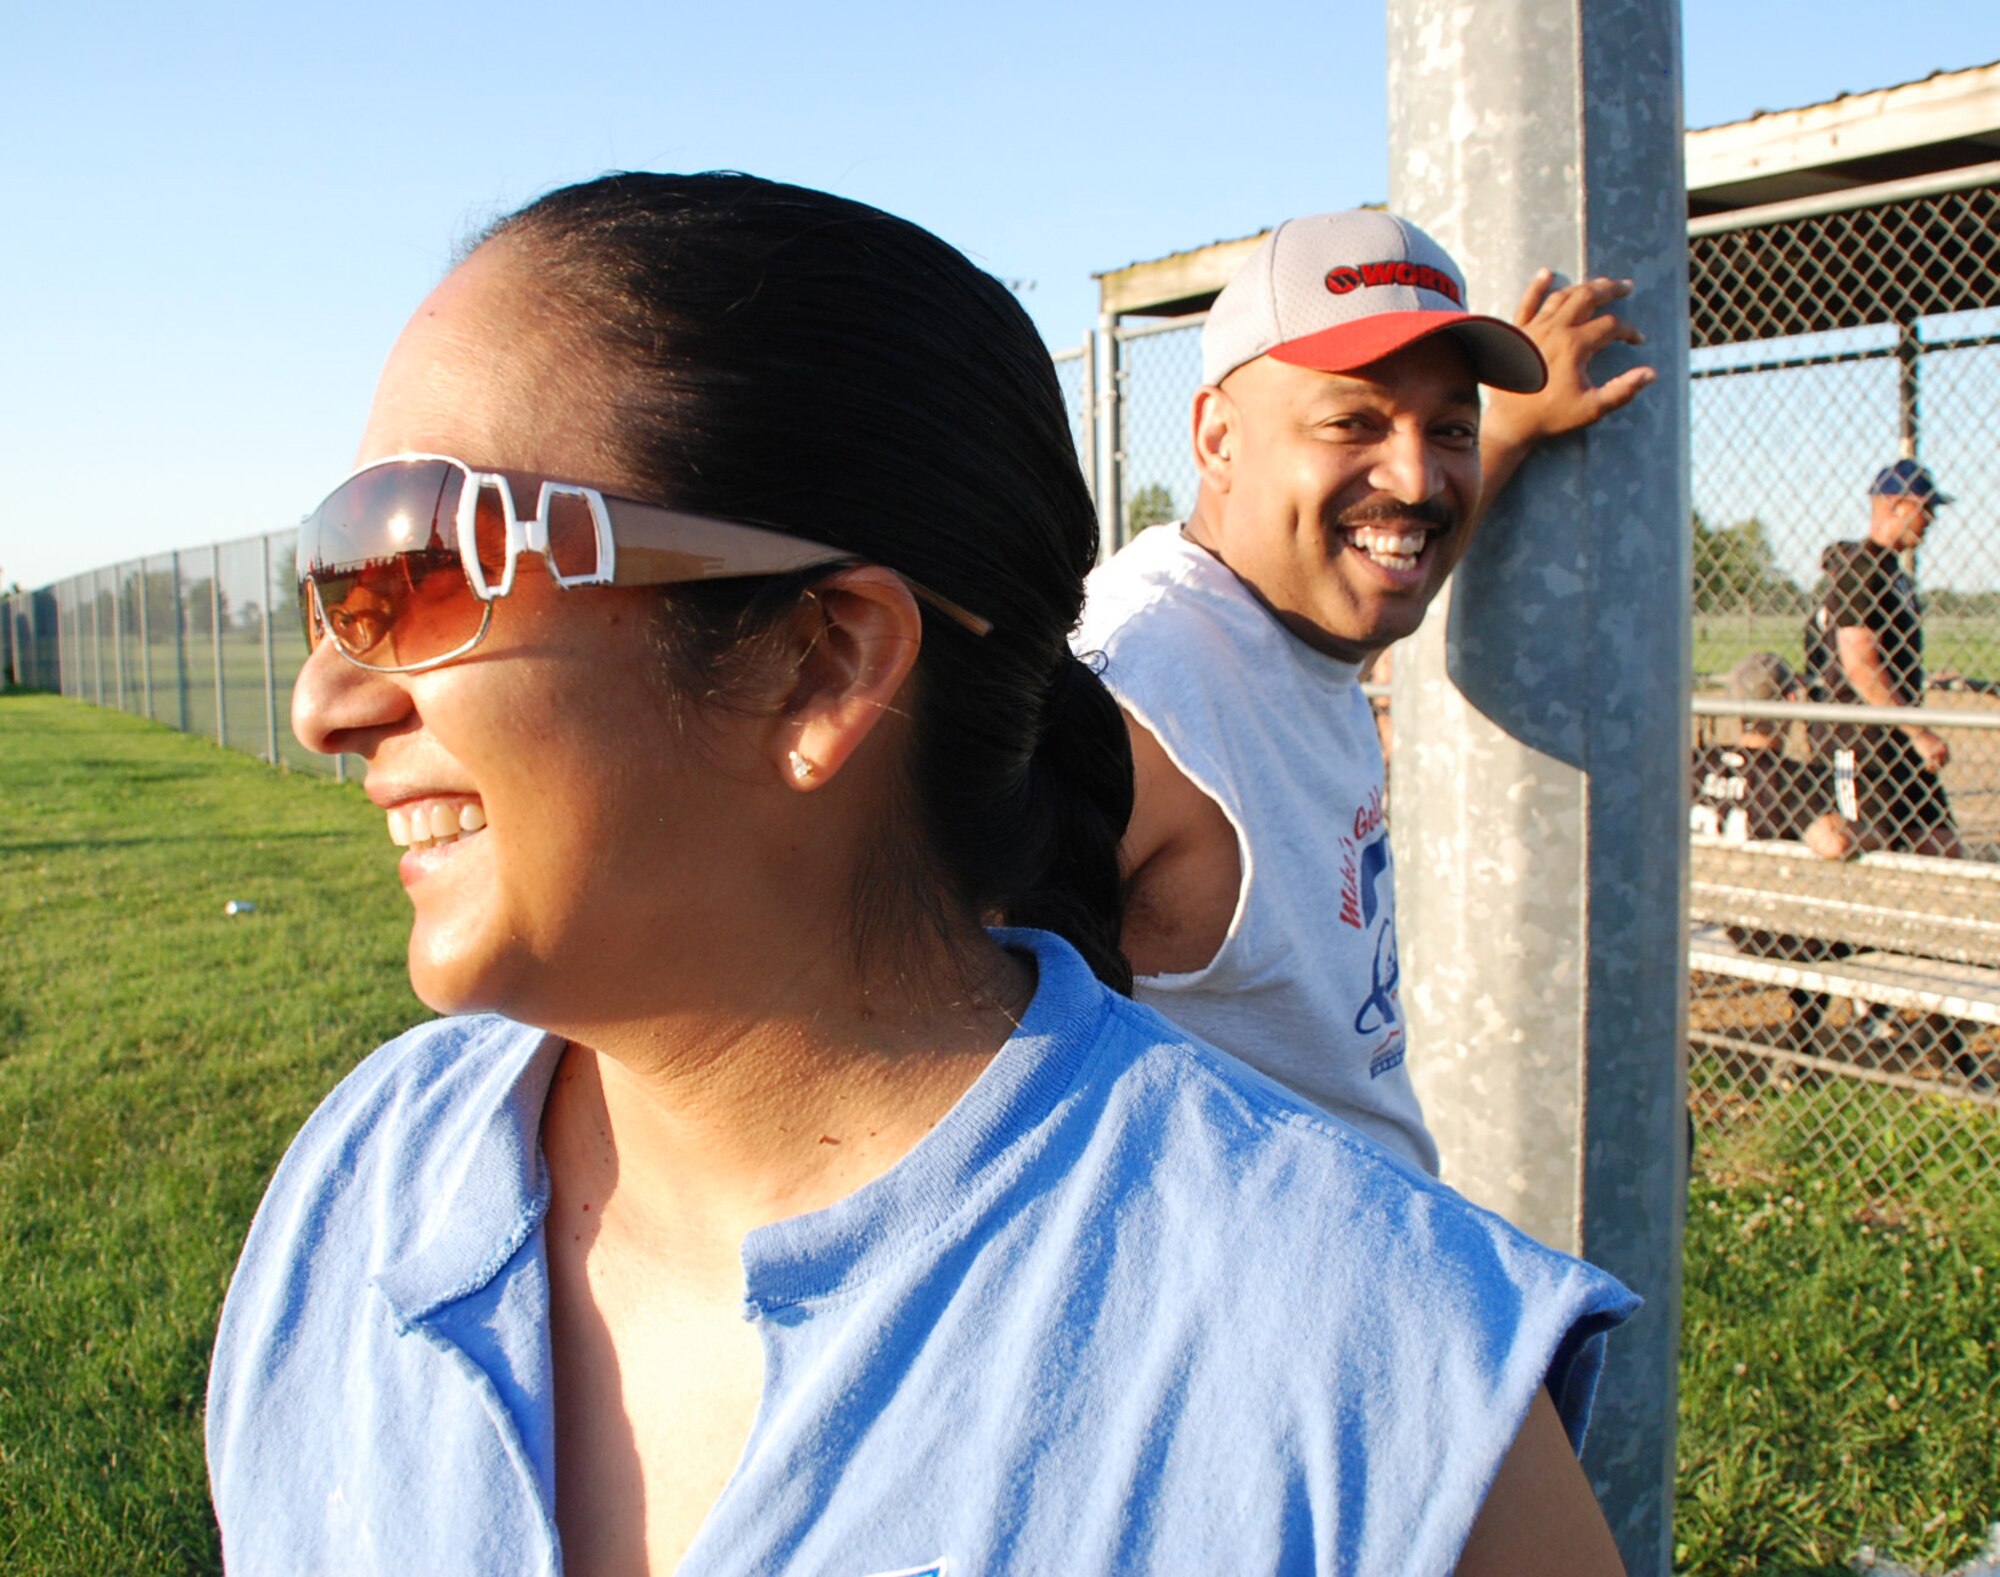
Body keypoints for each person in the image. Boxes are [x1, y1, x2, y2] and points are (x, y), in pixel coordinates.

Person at [204, 174, 1636, 1575]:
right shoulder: (360, 1186)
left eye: (434, 567)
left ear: (824, 663)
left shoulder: (1391, 1408)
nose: (326, 699)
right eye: (354, 570)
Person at [1076, 211, 1655, 1172]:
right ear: (1219, 438)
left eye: (1450, 428)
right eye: (1353, 421)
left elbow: (1400, 542)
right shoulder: (1135, 696)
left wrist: (1504, 433)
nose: (1420, 475)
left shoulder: (1282, 621)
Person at [1690, 652, 1858, 1049]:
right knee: (1828, 924)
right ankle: (1797, 1047)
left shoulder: (1694, 764)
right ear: (1790, 703)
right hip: (1764, 929)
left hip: (1700, 916)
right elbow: (1832, 842)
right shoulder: (1792, 777)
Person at [1805, 459, 1961, 859]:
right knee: (1856, 843)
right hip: (1863, 739)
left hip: (1897, 737)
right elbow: (1859, 663)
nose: (1930, 520)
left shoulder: (1893, 572)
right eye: (1925, 508)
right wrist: (1918, 732)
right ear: (1897, 504)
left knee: (1941, 846)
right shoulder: (1862, 567)